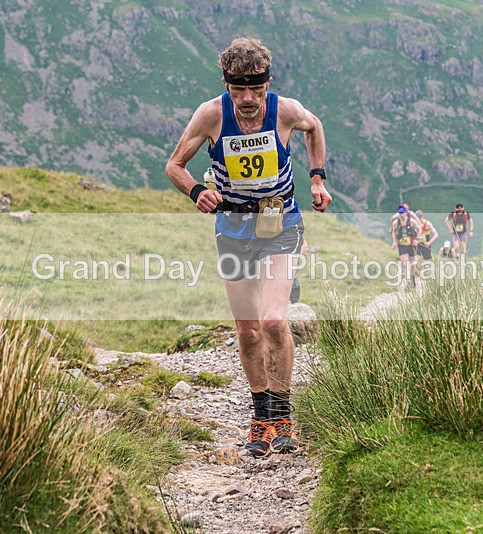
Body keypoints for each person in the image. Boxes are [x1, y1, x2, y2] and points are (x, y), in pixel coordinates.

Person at [165, 38, 331, 458]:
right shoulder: (211, 115)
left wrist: (317, 178)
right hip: (234, 231)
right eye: (238, 90)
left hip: (279, 225)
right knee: (248, 329)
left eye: (255, 89)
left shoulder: (287, 111)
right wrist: (196, 191)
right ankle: (260, 416)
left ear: (267, 83)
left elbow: (316, 128)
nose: (248, 99)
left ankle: (283, 414)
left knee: (274, 320)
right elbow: (174, 165)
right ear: (227, 84)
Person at [390, 206, 422, 289]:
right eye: (400, 213)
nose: (401, 214)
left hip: (411, 245)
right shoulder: (396, 223)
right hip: (402, 245)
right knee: (404, 264)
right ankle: (408, 282)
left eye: (403, 213)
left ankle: (412, 278)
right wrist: (394, 242)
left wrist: (417, 239)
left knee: (412, 265)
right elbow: (393, 232)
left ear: (406, 213)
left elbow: (419, 229)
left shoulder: (411, 221)